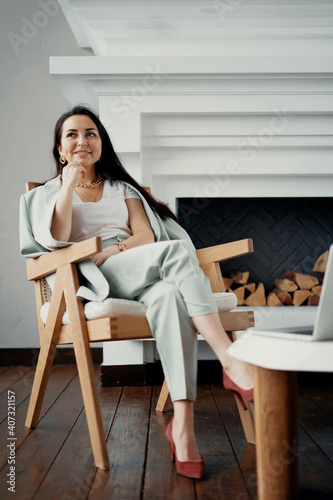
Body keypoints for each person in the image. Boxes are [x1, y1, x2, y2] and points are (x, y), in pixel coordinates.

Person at [20, 105, 253, 479]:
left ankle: (185, 426)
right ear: (60, 149)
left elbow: (145, 235)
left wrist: (115, 249)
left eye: (91, 133)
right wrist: (67, 184)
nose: (83, 140)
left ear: (101, 143)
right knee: (177, 252)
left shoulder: (121, 187)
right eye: (72, 135)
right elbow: (59, 237)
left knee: (168, 297)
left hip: (136, 260)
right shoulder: (47, 193)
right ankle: (228, 358)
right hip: (91, 273)